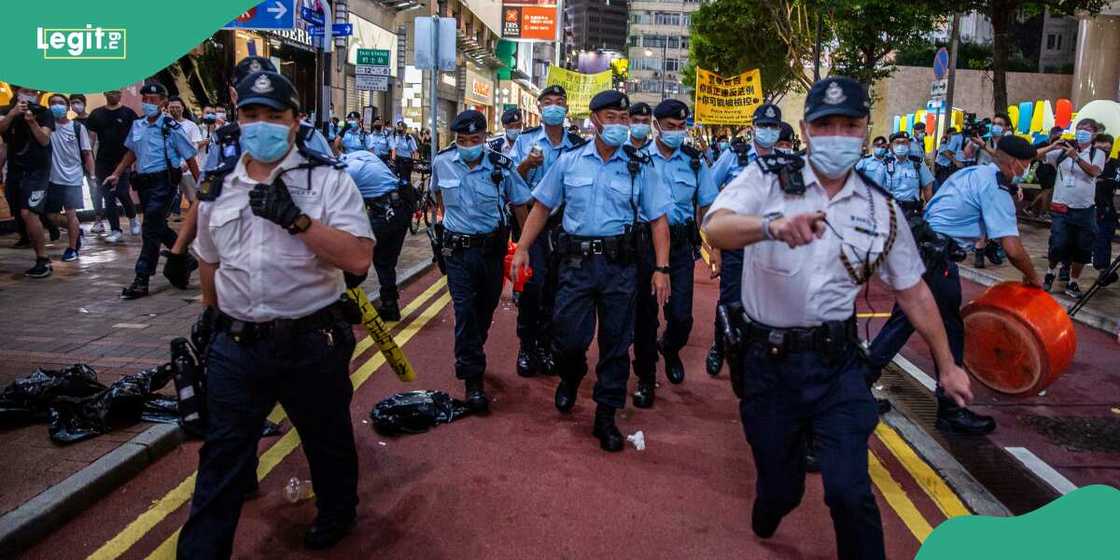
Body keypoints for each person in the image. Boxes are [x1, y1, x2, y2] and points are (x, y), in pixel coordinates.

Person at [702, 77, 975, 560]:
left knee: (850, 492)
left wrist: (947, 365)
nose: (838, 135)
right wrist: (771, 226)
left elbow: (913, 291)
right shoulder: (768, 180)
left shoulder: (881, 208)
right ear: (806, 130)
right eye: (826, 125)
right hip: (768, 365)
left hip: (837, 367)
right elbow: (715, 227)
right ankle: (773, 501)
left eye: (849, 125)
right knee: (782, 486)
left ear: (865, 131)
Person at [176, 70, 372, 558]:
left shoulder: (328, 180)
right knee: (222, 455)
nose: (261, 125)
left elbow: (358, 260)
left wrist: (297, 220)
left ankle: (337, 511)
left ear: (295, 122)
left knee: (326, 439)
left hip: (311, 341)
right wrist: (209, 318)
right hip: (236, 346)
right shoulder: (218, 185)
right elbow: (209, 260)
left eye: (274, 116)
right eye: (250, 115)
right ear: (236, 119)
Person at [509, 90, 672, 451]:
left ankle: (606, 415)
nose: (618, 125)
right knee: (567, 338)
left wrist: (661, 268)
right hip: (576, 266)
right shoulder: (569, 161)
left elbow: (659, 220)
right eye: (611, 117)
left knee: (616, 343)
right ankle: (571, 375)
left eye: (623, 118)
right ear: (595, 119)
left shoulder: (638, 165)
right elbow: (541, 207)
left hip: (620, 268)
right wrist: (521, 248)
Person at [870, 134, 1044, 435]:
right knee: (951, 331)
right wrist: (1033, 277)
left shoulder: (973, 172)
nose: (1027, 169)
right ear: (1015, 162)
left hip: (918, 249)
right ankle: (951, 410)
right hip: (937, 262)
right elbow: (1013, 248)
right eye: (1026, 164)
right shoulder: (996, 188)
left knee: (903, 322)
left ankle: (855, 389)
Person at [163, 56, 334, 291]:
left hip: (297, 261)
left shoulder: (307, 137)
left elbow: (332, 199)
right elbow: (205, 198)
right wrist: (178, 250)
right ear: (234, 96)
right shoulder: (225, 141)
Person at [431, 110, 532, 411]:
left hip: (491, 250)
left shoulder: (501, 166)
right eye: (462, 140)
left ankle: (474, 347)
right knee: (464, 311)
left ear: (485, 138)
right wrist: (448, 222)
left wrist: (525, 245)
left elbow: (520, 204)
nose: (468, 145)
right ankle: (472, 377)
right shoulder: (442, 162)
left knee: (484, 309)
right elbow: (437, 196)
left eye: (475, 139)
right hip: (457, 252)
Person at [632, 99, 717, 408]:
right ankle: (644, 377)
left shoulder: (695, 162)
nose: (677, 133)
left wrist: (715, 247)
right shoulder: (638, 159)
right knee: (644, 317)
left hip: (681, 248)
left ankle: (669, 348)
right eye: (671, 127)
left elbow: (709, 205)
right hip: (644, 247)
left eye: (682, 128)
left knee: (681, 316)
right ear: (656, 126)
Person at [510, 85, 587, 377]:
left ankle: (546, 345)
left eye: (560, 101)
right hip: (534, 225)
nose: (554, 106)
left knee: (558, 289)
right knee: (533, 287)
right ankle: (527, 346)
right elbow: (512, 182)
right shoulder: (526, 141)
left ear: (566, 108)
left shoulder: (578, 145)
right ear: (540, 108)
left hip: (566, 227)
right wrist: (528, 164)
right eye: (549, 102)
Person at [104, 82, 201, 299]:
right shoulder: (138, 126)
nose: (147, 103)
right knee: (157, 225)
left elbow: (189, 156)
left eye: (153, 100)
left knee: (149, 229)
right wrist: (117, 173)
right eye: (145, 99)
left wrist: (201, 187)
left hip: (164, 182)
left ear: (163, 103)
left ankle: (142, 278)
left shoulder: (171, 127)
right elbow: (132, 152)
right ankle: (184, 258)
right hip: (144, 184)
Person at [706, 103, 782, 376]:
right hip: (736, 242)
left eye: (773, 127)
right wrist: (714, 245)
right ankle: (719, 346)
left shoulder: (785, 161)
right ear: (753, 127)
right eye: (764, 126)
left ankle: (757, 354)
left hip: (769, 245)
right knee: (729, 299)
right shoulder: (732, 156)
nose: (768, 132)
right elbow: (710, 194)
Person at [1037, 118, 1106, 298]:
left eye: (1087, 129)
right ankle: (1050, 273)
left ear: (1094, 134)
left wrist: (1076, 157)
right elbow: (1036, 155)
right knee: (1058, 244)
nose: (1082, 132)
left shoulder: (1097, 153)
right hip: (1062, 208)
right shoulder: (1062, 152)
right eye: (1079, 128)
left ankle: (1073, 282)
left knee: (1083, 249)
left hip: (1085, 210)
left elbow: (1094, 172)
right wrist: (1053, 146)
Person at [342, 149, 411, 320]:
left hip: (383, 213)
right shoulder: (365, 155)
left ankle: (346, 305)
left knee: (350, 256)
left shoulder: (346, 170)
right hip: (401, 210)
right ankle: (390, 305)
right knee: (385, 262)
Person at [0, 86, 56, 277]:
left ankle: (43, 259)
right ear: (17, 92)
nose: (30, 94)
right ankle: (41, 228)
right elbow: (3, 137)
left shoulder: (45, 113)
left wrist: (32, 123)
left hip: (38, 170)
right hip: (16, 170)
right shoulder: (7, 112)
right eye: (26, 91)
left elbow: (44, 140)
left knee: (28, 212)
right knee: (18, 211)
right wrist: (13, 114)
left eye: (33, 92)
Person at [46, 93, 95, 262]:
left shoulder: (77, 128)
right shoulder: (46, 128)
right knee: (50, 215)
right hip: (52, 178)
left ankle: (73, 248)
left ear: (67, 107)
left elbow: (87, 153)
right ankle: (75, 230)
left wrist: (92, 176)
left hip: (72, 177)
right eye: (53, 103)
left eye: (60, 103)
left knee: (71, 213)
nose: (56, 106)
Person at [86, 89, 140, 242]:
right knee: (108, 196)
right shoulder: (97, 114)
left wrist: (134, 160)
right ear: (105, 94)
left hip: (123, 160)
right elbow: (91, 139)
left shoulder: (128, 113)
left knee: (122, 192)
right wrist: (89, 158)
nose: (114, 95)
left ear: (120, 94)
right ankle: (115, 230)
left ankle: (133, 217)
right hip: (103, 161)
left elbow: (136, 138)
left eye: (117, 92)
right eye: (110, 92)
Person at [870, 131, 935, 218]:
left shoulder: (918, 163)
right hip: (890, 212)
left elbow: (927, 188)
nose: (901, 145)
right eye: (897, 142)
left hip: (912, 212)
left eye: (904, 142)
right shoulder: (885, 164)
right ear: (892, 146)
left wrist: (931, 211)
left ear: (908, 145)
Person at [168, 96, 205, 204]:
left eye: (177, 107)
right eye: (172, 107)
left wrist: (187, 164)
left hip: (186, 169)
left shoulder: (191, 125)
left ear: (182, 108)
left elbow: (195, 147)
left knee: (193, 199)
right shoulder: (164, 125)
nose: (175, 109)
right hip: (169, 169)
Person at [1093, 134, 1119, 281]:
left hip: (1105, 209)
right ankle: (1066, 269)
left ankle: (1104, 271)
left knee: (1103, 239)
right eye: (1099, 147)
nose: (1103, 152)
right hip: (1084, 207)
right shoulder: (1085, 161)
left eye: (1106, 148)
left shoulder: (1115, 165)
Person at [1027, 126, 1064, 218]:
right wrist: (1033, 171)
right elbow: (1033, 156)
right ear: (1053, 134)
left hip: (1050, 171)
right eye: (1058, 135)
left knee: (1046, 192)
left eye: (1060, 136)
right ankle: (1042, 212)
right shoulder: (1042, 144)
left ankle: (1031, 208)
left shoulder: (1058, 145)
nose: (1058, 138)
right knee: (1046, 192)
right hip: (1043, 171)